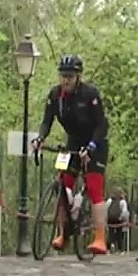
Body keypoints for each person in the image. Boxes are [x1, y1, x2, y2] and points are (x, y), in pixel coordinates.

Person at [31, 54, 111, 255]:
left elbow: (102, 125)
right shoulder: (55, 95)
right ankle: (63, 233)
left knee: (94, 188)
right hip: (73, 142)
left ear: (78, 77)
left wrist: (91, 147)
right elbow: (46, 122)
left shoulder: (90, 94)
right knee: (63, 184)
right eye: (63, 75)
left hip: (95, 143)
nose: (66, 80)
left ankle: (100, 238)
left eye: (70, 76)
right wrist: (40, 138)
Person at [106, 187, 129, 253]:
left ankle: (111, 246)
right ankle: (121, 249)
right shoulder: (122, 201)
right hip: (119, 220)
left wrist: (106, 218)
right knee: (120, 234)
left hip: (110, 219)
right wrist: (123, 218)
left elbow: (106, 209)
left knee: (111, 233)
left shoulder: (110, 200)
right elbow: (125, 211)